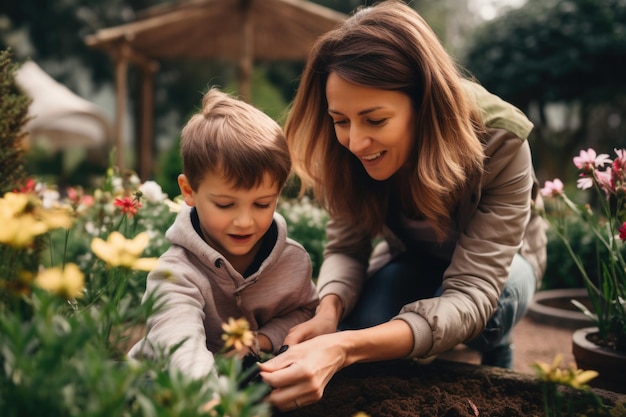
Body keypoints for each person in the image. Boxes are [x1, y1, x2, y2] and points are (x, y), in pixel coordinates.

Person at [259, 0, 547, 411]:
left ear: (424, 104)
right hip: (416, 256)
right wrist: (329, 315)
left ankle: (496, 353)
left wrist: (345, 348)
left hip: (500, 269)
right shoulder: (345, 144)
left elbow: (472, 293)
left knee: (487, 314)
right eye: (341, 121)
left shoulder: (501, 142)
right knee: (360, 324)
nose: (356, 142)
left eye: (375, 121)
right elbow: (345, 248)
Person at [128, 87, 319, 380]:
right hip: (164, 382)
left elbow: (304, 313)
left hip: (240, 379)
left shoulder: (292, 261)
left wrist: (260, 341)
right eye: (225, 204)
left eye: (262, 204)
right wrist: (211, 403)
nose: (244, 221)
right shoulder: (174, 273)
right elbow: (180, 344)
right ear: (189, 191)